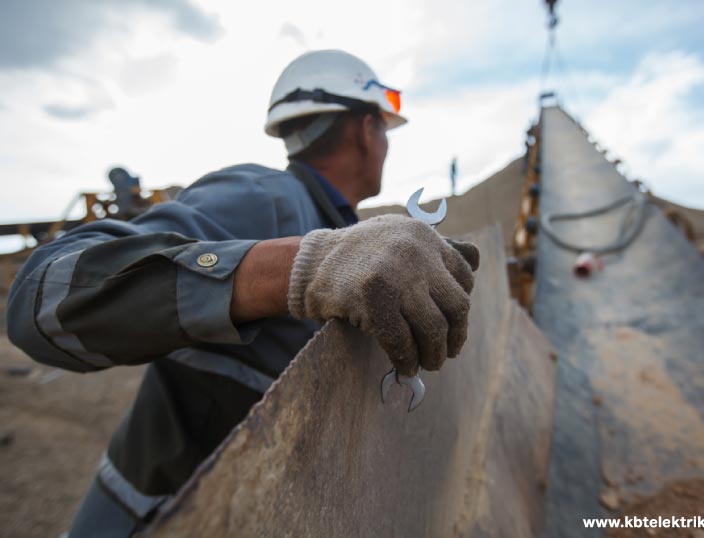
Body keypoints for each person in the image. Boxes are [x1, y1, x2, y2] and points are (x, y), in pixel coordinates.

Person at [6, 49, 480, 537]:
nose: (385, 144)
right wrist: (302, 268)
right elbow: (41, 295)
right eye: (384, 128)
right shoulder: (265, 198)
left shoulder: (349, 240)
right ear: (364, 130)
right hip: (149, 520)